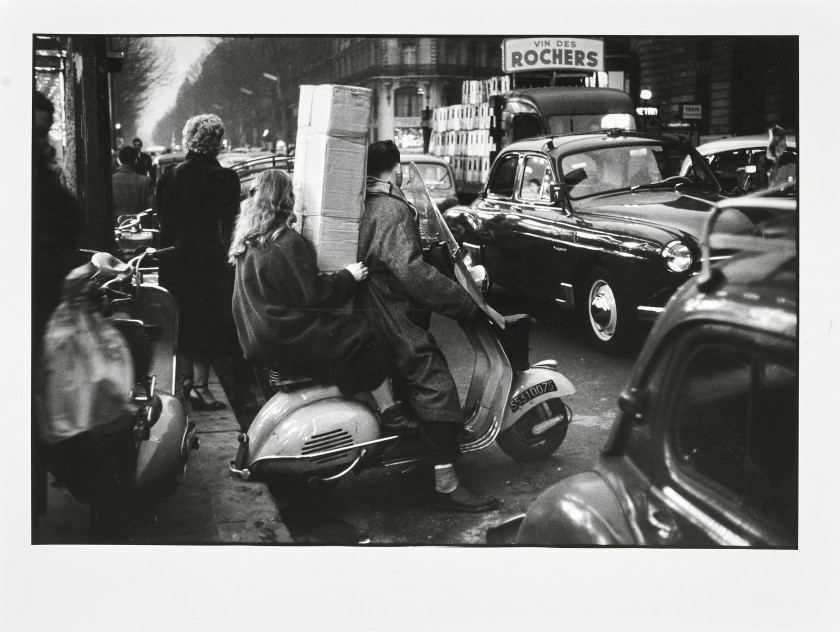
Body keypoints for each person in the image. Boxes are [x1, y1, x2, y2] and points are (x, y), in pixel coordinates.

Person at [356, 140, 499, 513]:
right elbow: (411, 271)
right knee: (433, 381)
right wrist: (462, 303)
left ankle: (422, 454)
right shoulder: (389, 208)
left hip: (369, 305)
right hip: (390, 309)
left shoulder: (362, 203)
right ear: (396, 169)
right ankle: (446, 486)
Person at [229, 169, 416, 433]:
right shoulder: (286, 241)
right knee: (363, 334)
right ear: (285, 198)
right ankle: (390, 412)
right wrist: (349, 276)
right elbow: (316, 296)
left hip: (259, 337)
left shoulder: (249, 241)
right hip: (284, 335)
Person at [32, 90, 87, 541]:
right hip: (38, 315)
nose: (42, 141)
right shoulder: (37, 185)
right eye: (36, 130)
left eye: (45, 130)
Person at [157, 114, 239, 410]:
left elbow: (162, 217)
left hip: (175, 262)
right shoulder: (224, 178)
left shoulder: (171, 174)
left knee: (183, 321)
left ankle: (185, 382)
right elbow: (230, 225)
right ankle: (202, 388)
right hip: (208, 263)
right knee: (207, 323)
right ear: (217, 142)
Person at [745, 125, 797, 191]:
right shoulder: (759, 160)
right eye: (775, 143)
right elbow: (754, 184)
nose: (778, 147)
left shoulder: (791, 160)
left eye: (782, 144)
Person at [112, 145, 154, 220]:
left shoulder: (111, 181)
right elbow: (152, 208)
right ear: (136, 160)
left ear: (119, 160)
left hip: (117, 227)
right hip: (140, 227)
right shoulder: (146, 181)